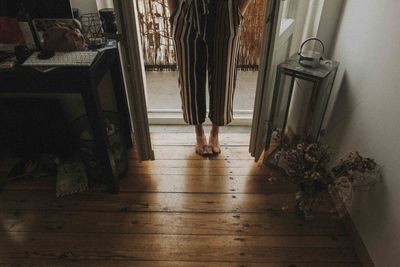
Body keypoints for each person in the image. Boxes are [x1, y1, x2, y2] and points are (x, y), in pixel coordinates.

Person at [168, 0, 251, 156]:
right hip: (186, 11)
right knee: (189, 76)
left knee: (223, 76)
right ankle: (199, 132)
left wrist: (238, 12)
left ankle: (215, 133)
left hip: (225, 10)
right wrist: (174, 13)